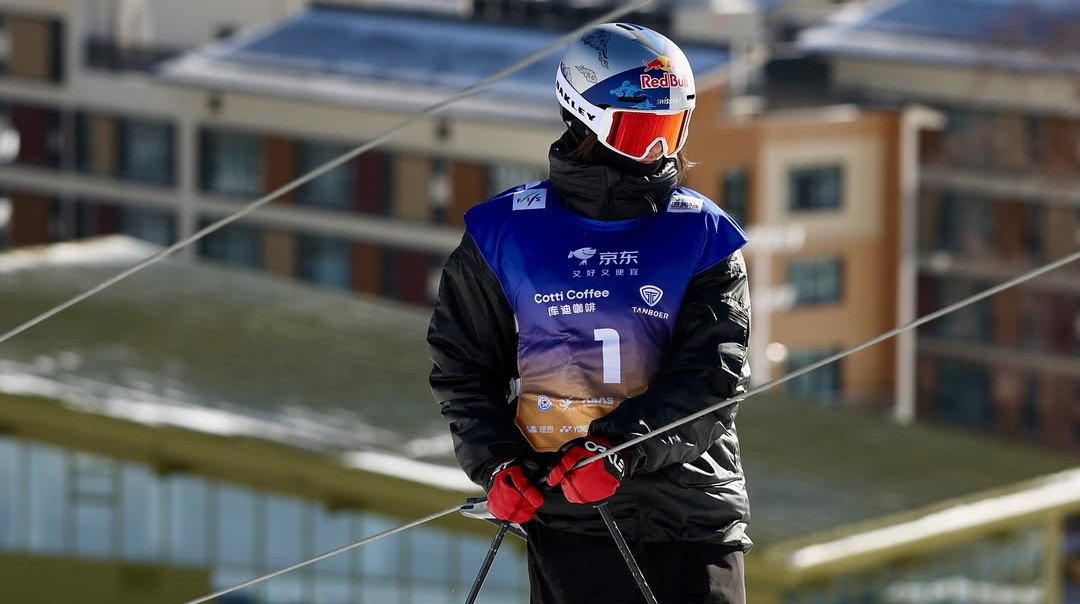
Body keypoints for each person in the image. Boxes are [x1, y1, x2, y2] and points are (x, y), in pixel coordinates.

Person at [428, 23, 752, 604]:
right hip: (570, 516)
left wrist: (619, 450)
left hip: (691, 515)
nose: (658, 152)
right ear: (585, 117)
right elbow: (463, 369)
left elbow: (714, 377)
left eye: (670, 131)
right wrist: (497, 464)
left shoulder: (701, 234)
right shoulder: (504, 234)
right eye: (641, 131)